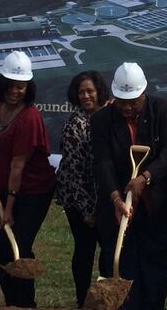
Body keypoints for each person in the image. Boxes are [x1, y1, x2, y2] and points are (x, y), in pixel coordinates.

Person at [91, 62, 167, 309]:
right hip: (118, 208)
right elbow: (102, 162)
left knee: (154, 270)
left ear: (144, 93)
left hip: (156, 206)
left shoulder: (162, 110)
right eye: (121, 101)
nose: (127, 107)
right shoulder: (101, 120)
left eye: (133, 101)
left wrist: (145, 178)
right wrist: (115, 198)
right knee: (121, 266)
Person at [0, 51, 55, 308]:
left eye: (21, 86)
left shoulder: (30, 118)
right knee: (2, 247)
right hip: (3, 187)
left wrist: (9, 209)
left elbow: (18, 165)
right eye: (10, 85)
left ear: (28, 87)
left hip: (32, 193)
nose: (15, 91)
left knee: (18, 245)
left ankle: (25, 303)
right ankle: (10, 302)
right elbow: (1, 150)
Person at [55, 70, 110, 309]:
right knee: (85, 249)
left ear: (99, 92)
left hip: (105, 196)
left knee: (108, 249)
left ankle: (106, 299)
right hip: (78, 198)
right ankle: (82, 300)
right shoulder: (75, 125)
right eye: (81, 92)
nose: (86, 96)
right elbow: (76, 174)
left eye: (90, 91)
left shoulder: (109, 116)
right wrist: (88, 211)